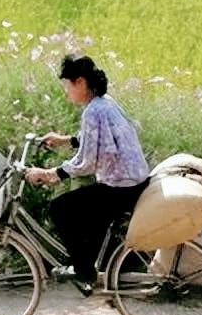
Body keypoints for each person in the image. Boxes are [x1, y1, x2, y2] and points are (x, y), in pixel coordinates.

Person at [25, 54, 150, 287]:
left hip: (120, 187)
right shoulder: (105, 102)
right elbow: (98, 140)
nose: (66, 92)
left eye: (67, 86)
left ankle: (83, 271)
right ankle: (95, 270)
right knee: (92, 213)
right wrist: (65, 140)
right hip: (134, 181)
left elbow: (87, 163)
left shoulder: (92, 112)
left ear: (80, 82)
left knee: (60, 209)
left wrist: (51, 174)